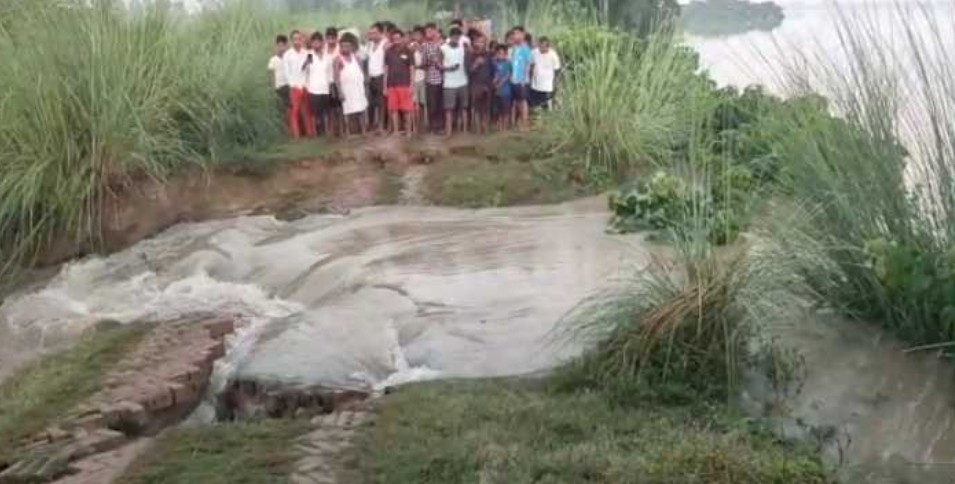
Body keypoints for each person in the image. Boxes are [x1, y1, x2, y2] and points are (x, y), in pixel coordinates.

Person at [334, 33, 368, 137]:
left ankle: (363, 131)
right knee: (347, 111)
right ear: (340, 47)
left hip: (358, 88)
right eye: (343, 46)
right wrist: (340, 91)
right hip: (346, 89)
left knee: (361, 109)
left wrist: (364, 87)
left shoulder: (357, 58)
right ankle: (348, 132)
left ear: (352, 47)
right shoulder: (338, 60)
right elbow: (336, 78)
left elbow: (362, 73)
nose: (345, 48)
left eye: (348, 46)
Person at [284, 30, 315, 139]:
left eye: (299, 39)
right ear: (291, 41)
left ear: (302, 40)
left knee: (307, 110)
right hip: (295, 86)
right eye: (295, 39)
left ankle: (310, 133)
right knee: (295, 111)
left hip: (305, 85)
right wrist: (293, 85)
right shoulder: (287, 55)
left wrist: (307, 84)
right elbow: (286, 72)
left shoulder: (308, 53)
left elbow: (310, 69)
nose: (297, 41)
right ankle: (296, 134)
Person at [384, 29, 415, 136]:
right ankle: (396, 131)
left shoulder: (408, 51)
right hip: (391, 84)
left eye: (398, 38)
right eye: (394, 38)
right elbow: (386, 69)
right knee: (393, 109)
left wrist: (412, 85)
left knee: (407, 109)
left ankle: (408, 131)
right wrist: (385, 86)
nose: (396, 40)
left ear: (402, 38)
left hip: (404, 84)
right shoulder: (388, 51)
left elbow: (412, 69)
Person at [441, 27, 469, 136]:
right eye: (455, 37)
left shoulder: (463, 48)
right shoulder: (443, 48)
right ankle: (448, 132)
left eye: (458, 37)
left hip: (463, 82)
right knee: (449, 109)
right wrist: (449, 68)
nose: (456, 39)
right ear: (450, 37)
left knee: (464, 108)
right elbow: (438, 65)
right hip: (449, 83)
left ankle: (464, 131)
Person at [306, 32, 332, 137]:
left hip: (325, 88)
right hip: (313, 88)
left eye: (318, 42)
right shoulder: (309, 55)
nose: (316, 44)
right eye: (314, 42)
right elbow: (305, 71)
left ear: (322, 43)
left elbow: (329, 72)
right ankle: (315, 132)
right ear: (311, 43)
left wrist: (330, 85)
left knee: (326, 111)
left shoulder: (327, 56)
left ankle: (327, 131)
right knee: (315, 112)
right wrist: (307, 85)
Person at [421, 23, 445, 134]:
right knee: (432, 104)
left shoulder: (443, 44)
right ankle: (432, 126)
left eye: (431, 31)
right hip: (431, 79)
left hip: (443, 78)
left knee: (440, 104)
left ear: (435, 31)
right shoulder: (425, 46)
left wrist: (440, 61)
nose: (428, 33)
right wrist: (429, 61)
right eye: (427, 32)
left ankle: (440, 126)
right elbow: (423, 63)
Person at [508, 27, 533, 130]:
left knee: (523, 101)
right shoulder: (514, 48)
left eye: (518, 33)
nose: (515, 36)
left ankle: (525, 123)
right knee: (518, 100)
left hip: (522, 80)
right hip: (514, 79)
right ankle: (521, 121)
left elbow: (528, 64)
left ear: (523, 35)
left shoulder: (525, 48)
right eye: (514, 34)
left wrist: (524, 79)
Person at [365, 22, 388, 133]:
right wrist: (367, 75)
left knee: (381, 103)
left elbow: (387, 63)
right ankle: (371, 124)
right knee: (371, 103)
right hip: (371, 77)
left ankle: (381, 125)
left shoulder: (385, 44)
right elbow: (368, 61)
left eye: (374, 33)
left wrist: (385, 80)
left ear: (381, 33)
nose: (372, 35)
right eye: (371, 33)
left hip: (381, 76)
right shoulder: (370, 45)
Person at [468, 34, 493, 133]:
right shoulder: (470, 55)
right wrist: (476, 63)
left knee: (486, 108)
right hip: (475, 85)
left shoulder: (489, 55)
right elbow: (468, 71)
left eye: (482, 42)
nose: (480, 44)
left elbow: (493, 69)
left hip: (487, 84)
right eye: (478, 41)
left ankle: (485, 128)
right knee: (476, 108)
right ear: (474, 43)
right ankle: (477, 129)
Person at [530, 36, 561, 111]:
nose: (541, 49)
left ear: (548, 46)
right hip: (536, 83)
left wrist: (555, 82)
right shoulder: (534, 52)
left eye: (543, 47)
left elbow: (557, 69)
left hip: (548, 84)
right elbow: (531, 65)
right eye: (540, 46)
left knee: (546, 104)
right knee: (536, 105)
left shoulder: (553, 55)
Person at [492, 44, 513, 131]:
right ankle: (500, 126)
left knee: (506, 111)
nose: (500, 55)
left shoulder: (508, 63)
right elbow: (495, 75)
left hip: (506, 91)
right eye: (499, 53)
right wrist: (494, 83)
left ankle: (505, 127)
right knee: (499, 110)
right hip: (497, 91)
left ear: (505, 54)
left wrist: (500, 84)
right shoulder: (495, 63)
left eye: (502, 53)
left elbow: (508, 75)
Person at [267, 35, 289, 122]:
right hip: (278, 88)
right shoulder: (273, 60)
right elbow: (271, 75)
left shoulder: (288, 58)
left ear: (286, 46)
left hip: (288, 86)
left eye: (283, 46)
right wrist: (273, 88)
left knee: (289, 110)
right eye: (279, 46)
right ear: (276, 46)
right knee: (280, 110)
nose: (281, 48)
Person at [410, 26, 427, 133]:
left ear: (422, 36)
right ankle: (414, 126)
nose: (417, 36)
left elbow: (426, 62)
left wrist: (420, 50)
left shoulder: (425, 46)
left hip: (423, 78)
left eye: (419, 35)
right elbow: (409, 62)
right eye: (415, 34)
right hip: (413, 79)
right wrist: (412, 49)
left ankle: (422, 125)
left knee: (422, 103)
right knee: (414, 103)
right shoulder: (410, 46)